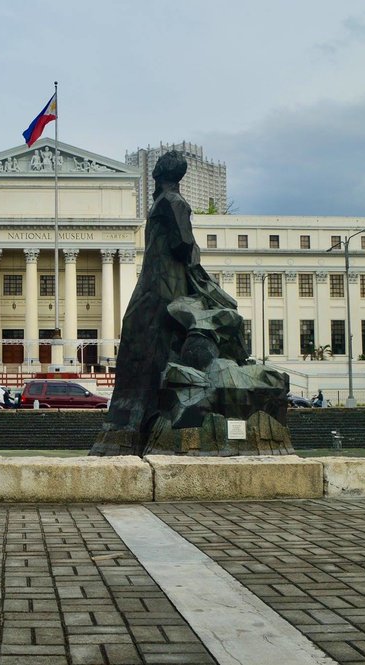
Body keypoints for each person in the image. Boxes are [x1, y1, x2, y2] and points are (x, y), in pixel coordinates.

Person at [104, 150, 239, 454]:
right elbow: (184, 244)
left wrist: (200, 280)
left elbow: (184, 243)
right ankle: (132, 414)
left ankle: (139, 413)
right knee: (138, 331)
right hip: (157, 280)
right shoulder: (164, 203)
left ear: (159, 173)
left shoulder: (172, 203)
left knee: (148, 334)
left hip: (167, 283)